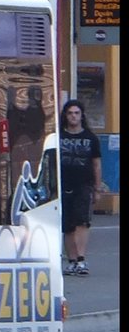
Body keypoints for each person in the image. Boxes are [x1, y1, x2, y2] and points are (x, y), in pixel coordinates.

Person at [59, 98, 105, 276]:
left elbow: (96, 164)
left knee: (82, 222)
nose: (73, 116)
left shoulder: (90, 138)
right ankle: (71, 260)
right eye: (70, 113)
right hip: (63, 185)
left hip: (84, 185)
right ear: (66, 115)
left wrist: (97, 188)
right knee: (68, 225)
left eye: (76, 113)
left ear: (81, 115)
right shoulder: (59, 136)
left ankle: (81, 259)